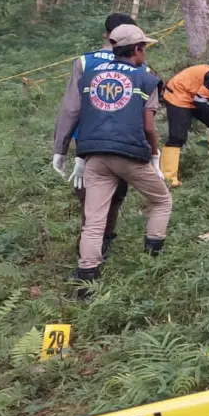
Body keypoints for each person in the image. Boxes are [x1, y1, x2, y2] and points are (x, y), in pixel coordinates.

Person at [69, 24, 170, 286]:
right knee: (161, 201)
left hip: (94, 155)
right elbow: (148, 126)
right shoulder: (146, 78)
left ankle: (87, 277)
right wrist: (155, 157)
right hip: (129, 153)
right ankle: (153, 258)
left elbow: (78, 112)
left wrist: (76, 154)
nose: (144, 53)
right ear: (136, 49)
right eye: (144, 48)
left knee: (94, 222)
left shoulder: (89, 75)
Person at [53, 13, 146, 258]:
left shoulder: (84, 62)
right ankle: (105, 237)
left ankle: (89, 243)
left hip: (88, 143)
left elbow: (71, 108)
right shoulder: (139, 64)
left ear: (106, 34)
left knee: (90, 195)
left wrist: (60, 148)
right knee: (116, 192)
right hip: (124, 143)